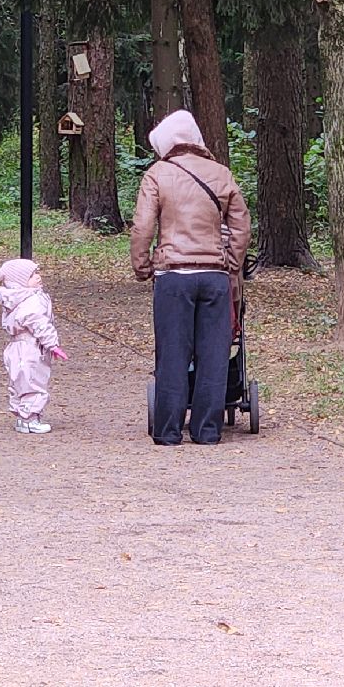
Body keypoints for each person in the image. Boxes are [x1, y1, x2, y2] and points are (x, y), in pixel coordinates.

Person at [129, 110, 252, 445]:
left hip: (173, 278)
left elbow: (142, 227)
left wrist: (143, 267)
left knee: (172, 353)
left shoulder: (157, 175)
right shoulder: (221, 174)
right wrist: (230, 262)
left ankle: (168, 432)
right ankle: (208, 431)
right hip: (214, 277)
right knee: (214, 354)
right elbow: (241, 225)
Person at [0, 258, 68, 434]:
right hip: (31, 348)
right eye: (32, 275)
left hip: (17, 347)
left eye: (37, 273)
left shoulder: (14, 300)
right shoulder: (31, 302)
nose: (38, 277)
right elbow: (40, 324)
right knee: (32, 381)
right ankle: (30, 419)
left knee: (20, 381)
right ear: (20, 282)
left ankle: (23, 417)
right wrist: (53, 344)